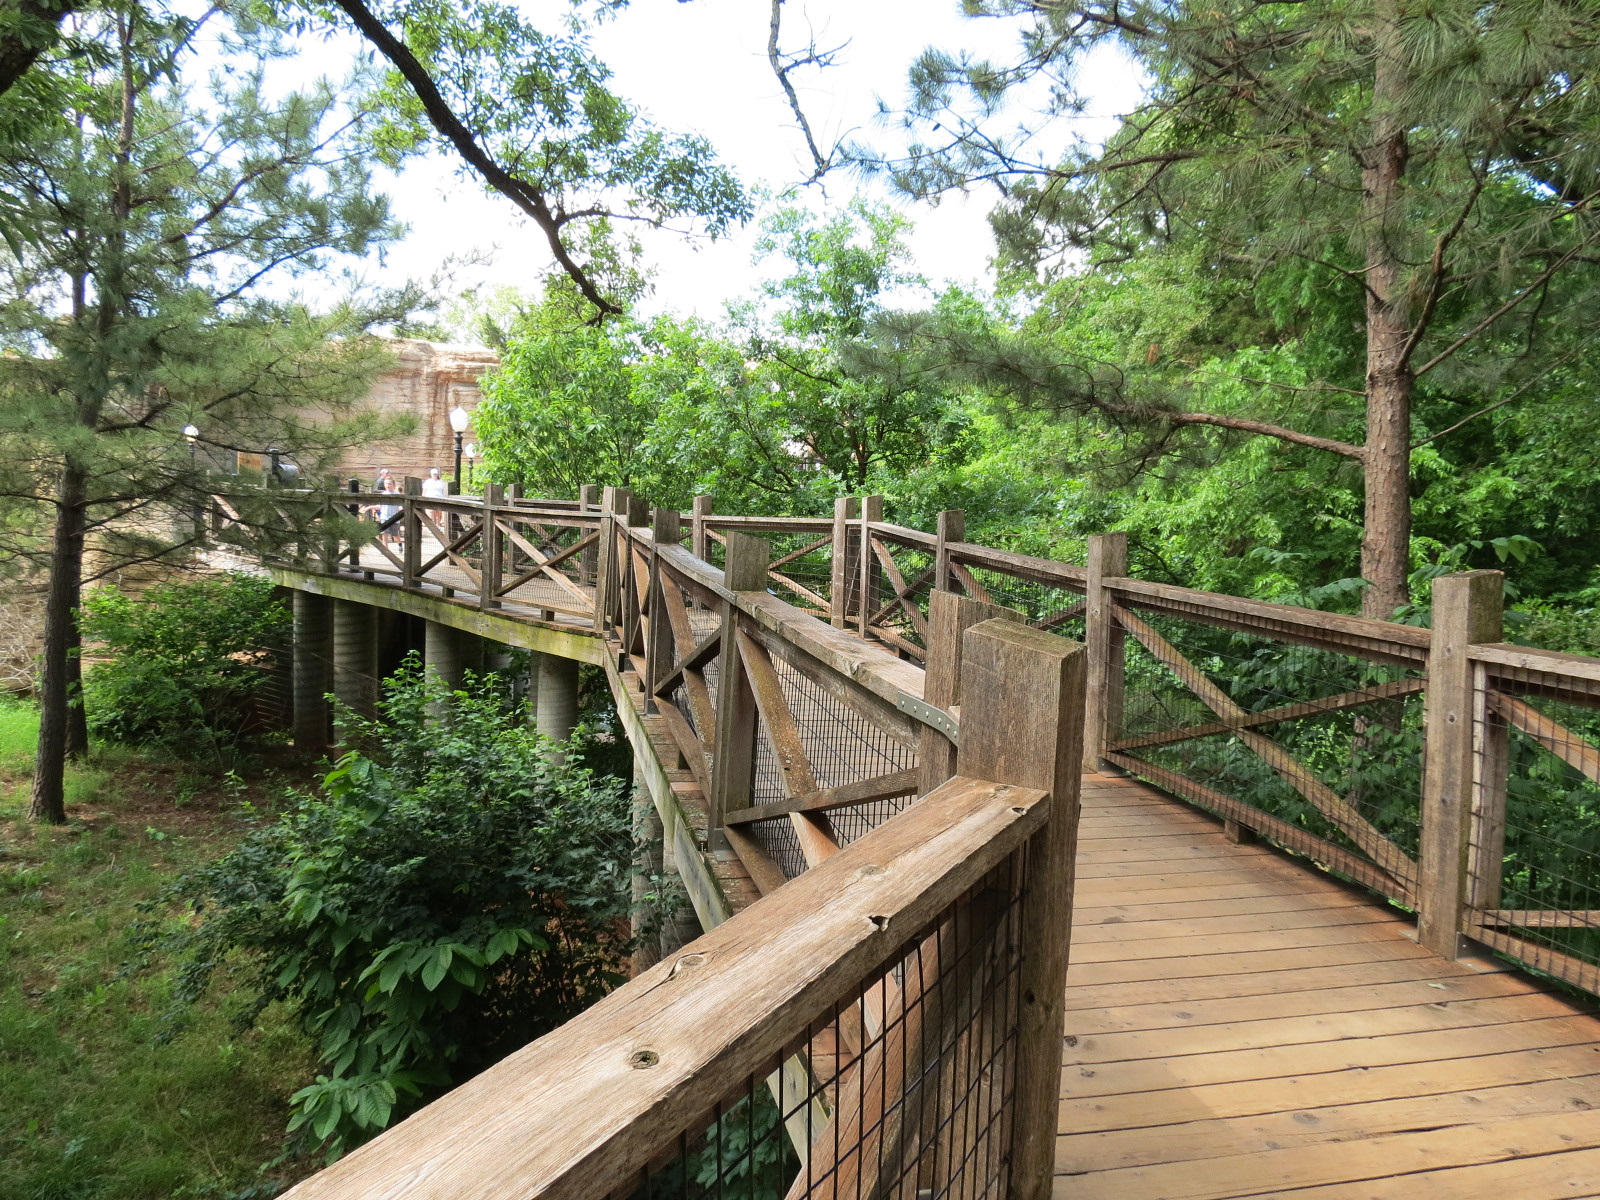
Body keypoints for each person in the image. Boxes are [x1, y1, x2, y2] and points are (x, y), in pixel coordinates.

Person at [420, 466, 449, 535]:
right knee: (432, 512)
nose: (435, 475)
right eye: (433, 474)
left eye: (436, 474)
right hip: (430, 498)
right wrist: (423, 498)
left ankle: (438, 525)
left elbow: (444, 491)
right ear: (431, 474)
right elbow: (424, 491)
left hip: (439, 498)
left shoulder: (441, 482)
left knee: (438, 512)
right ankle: (433, 526)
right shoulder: (428, 482)